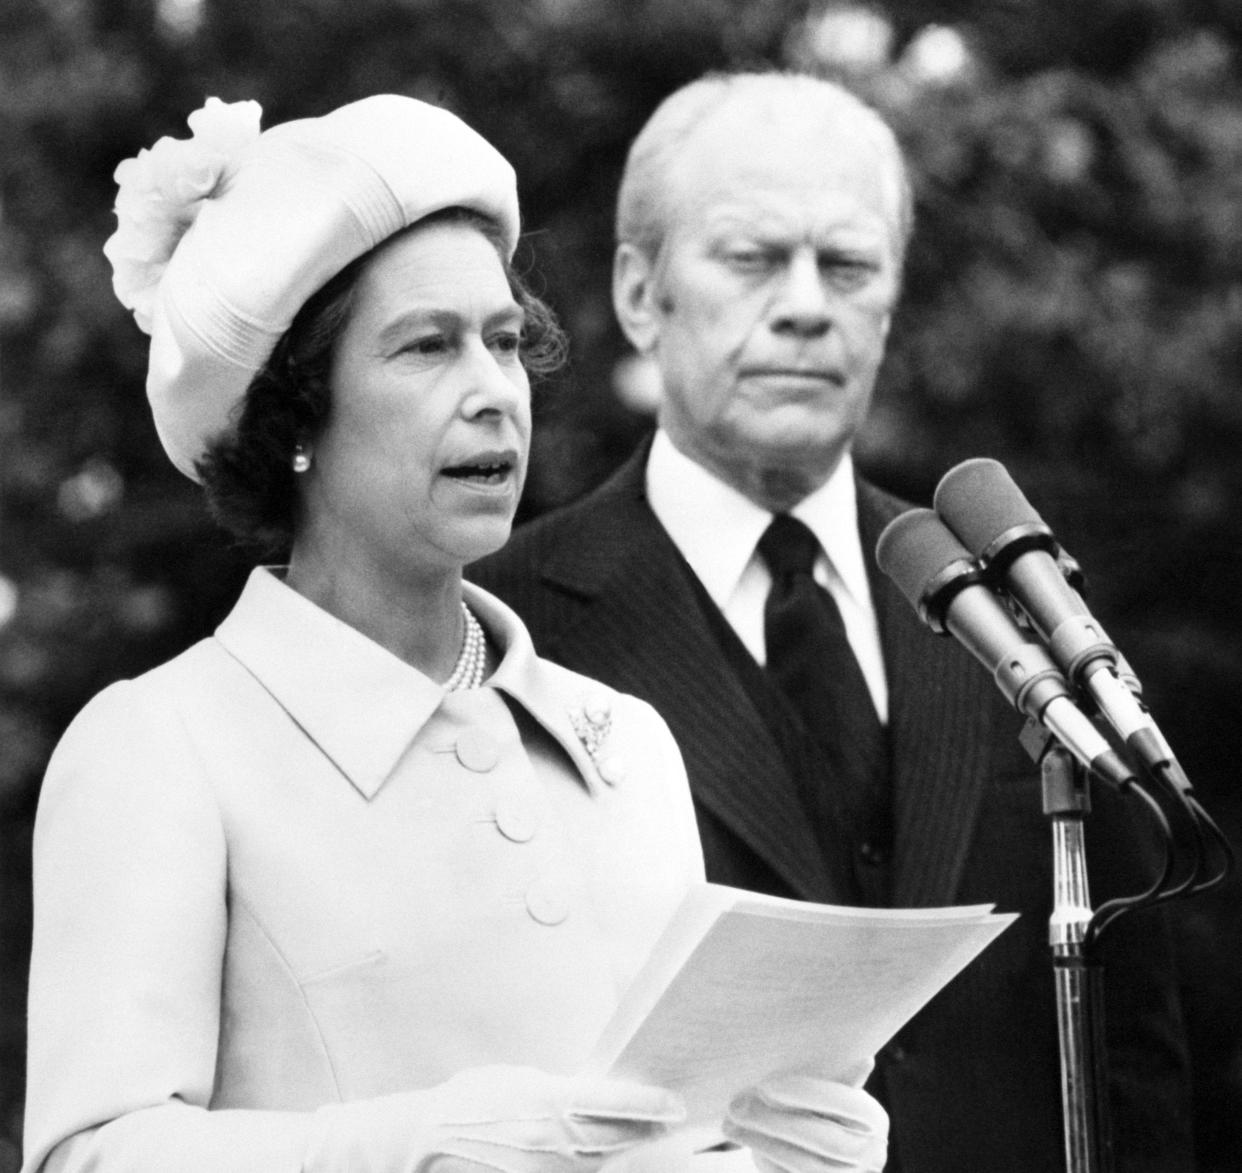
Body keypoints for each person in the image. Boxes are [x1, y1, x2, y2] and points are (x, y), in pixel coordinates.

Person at [21, 94, 890, 1173]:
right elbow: (93, 1156)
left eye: (506, 341)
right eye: (427, 348)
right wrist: (410, 1147)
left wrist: (772, 1156)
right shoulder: (158, 747)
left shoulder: (625, 741)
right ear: (291, 419)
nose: (495, 394)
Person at [471, 71, 1194, 1172]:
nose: (807, 304)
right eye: (754, 258)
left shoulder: (1020, 604)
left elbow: (1135, 1054)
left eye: (848, 266)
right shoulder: (504, 624)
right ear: (636, 293)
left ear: (890, 303)